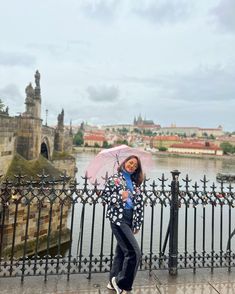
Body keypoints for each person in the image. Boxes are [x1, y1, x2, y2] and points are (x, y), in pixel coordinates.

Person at [102, 155, 144, 294]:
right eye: (130, 163)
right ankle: (123, 284)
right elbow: (105, 197)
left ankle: (111, 281)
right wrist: (120, 196)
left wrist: (137, 224)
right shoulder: (114, 179)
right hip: (118, 219)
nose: (132, 166)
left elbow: (138, 206)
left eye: (135, 166)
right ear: (125, 162)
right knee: (133, 252)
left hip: (130, 219)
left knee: (120, 252)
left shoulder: (134, 183)